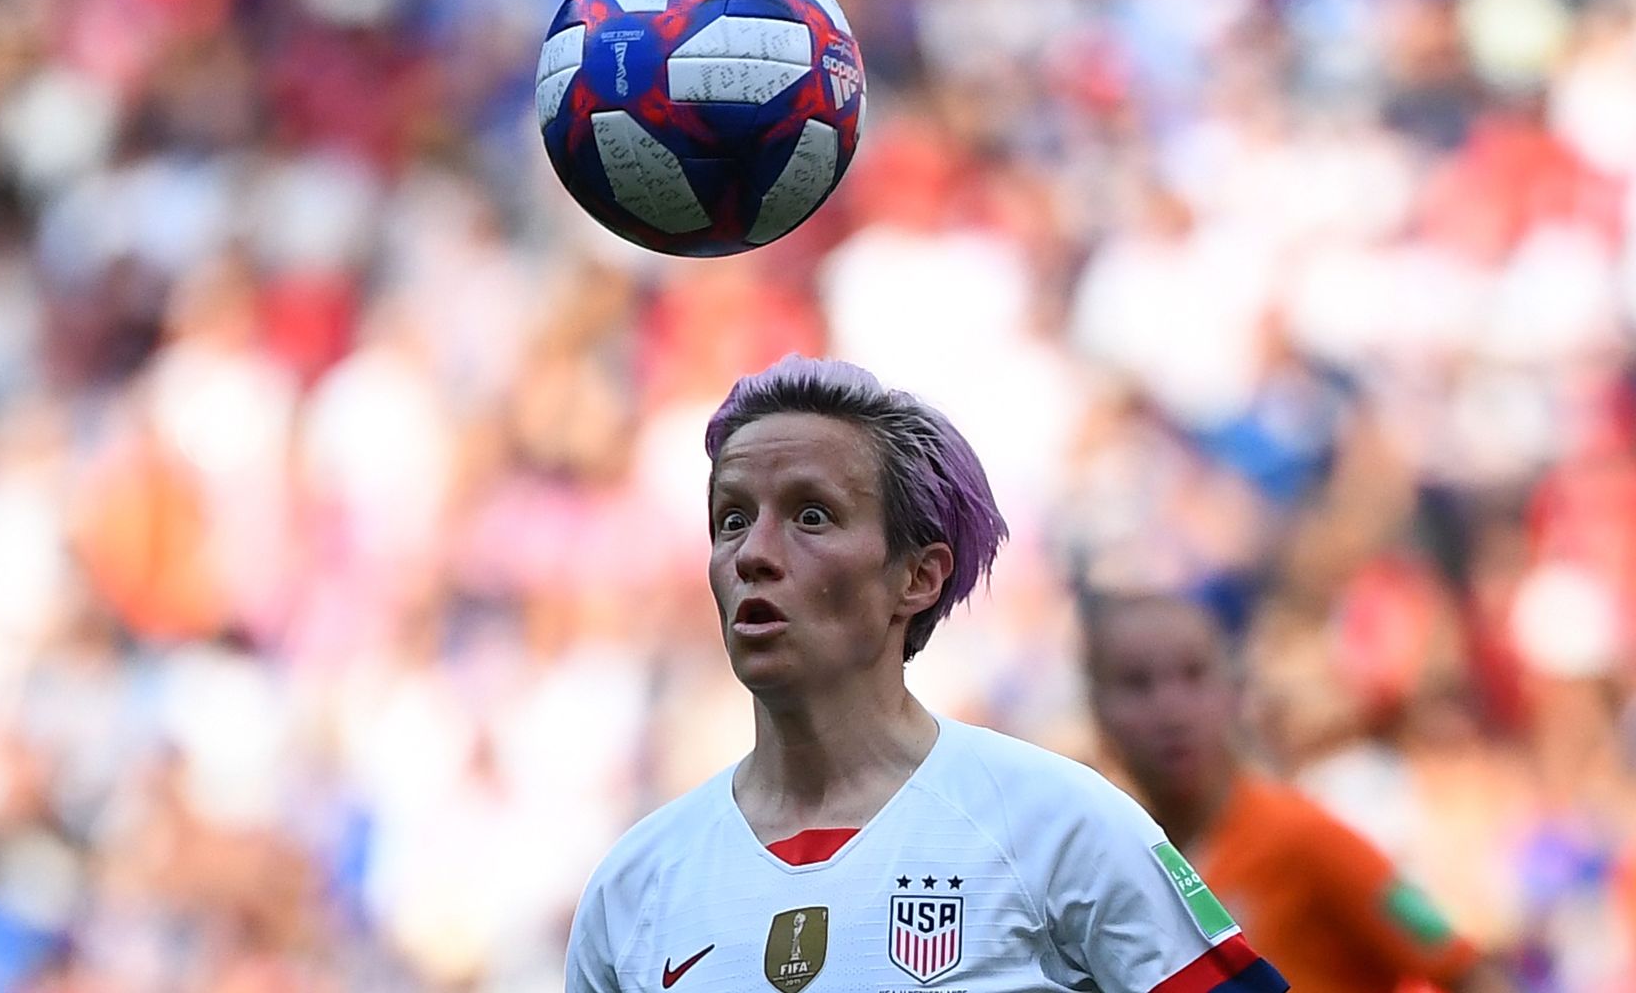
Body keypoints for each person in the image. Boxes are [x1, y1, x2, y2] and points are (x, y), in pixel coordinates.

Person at [566, 356, 1287, 993]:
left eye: (811, 516)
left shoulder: (1058, 823)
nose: (753, 552)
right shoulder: (637, 885)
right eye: (731, 519)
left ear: (917, 576)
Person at [1083, 591, 1519, 993]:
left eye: (1194, 675)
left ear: (1234, 693)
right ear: (1096, 708)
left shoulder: (1305, 836)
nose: (1170, 710)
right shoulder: (1111, 867)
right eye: (1136, 684)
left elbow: (1465, 968)